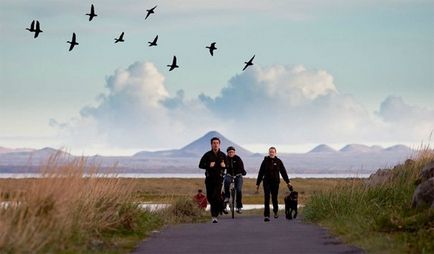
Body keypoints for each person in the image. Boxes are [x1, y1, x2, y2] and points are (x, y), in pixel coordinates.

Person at [256, 147, 292, 222]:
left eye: (273, 152)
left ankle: (275, 211)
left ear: (275, 153)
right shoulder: (265, 161)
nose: (271, 153)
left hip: (275, 182)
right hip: (266, 182)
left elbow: (283, 172)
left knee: (274, 197)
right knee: (267, 197)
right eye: (270, 152)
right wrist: (258, 184)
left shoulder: (279, 161)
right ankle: (266, 215)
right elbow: (260, 173)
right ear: (268, 153)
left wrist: (288, 182)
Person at [199, 137, 227, 223]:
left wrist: (224, 166)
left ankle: (214, 216)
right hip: (209, 178)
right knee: (210, 197)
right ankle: (222, 205)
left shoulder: (223, 155)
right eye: (214, 143)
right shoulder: (207, 155)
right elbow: (200, 165)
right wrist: (208, 165)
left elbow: (227, 166)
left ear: (219, 144)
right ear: (211, 144)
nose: (215, 144)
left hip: (219, 179)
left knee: (215, 196)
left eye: (217, 143)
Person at [223, 146, 247, 214]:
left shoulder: (238, 158)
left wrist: (243, 172)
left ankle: (239, 207)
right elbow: (222, 167)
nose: (231, 153)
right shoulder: (225, 159)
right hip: (229, 175)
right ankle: (227, 197)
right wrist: (222, 172)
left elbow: (242, 167)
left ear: (234, 152)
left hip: (238, 176)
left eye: (232, 152)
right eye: (229, 152)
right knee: (226, 181)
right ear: (227, 153)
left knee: (239, 190)